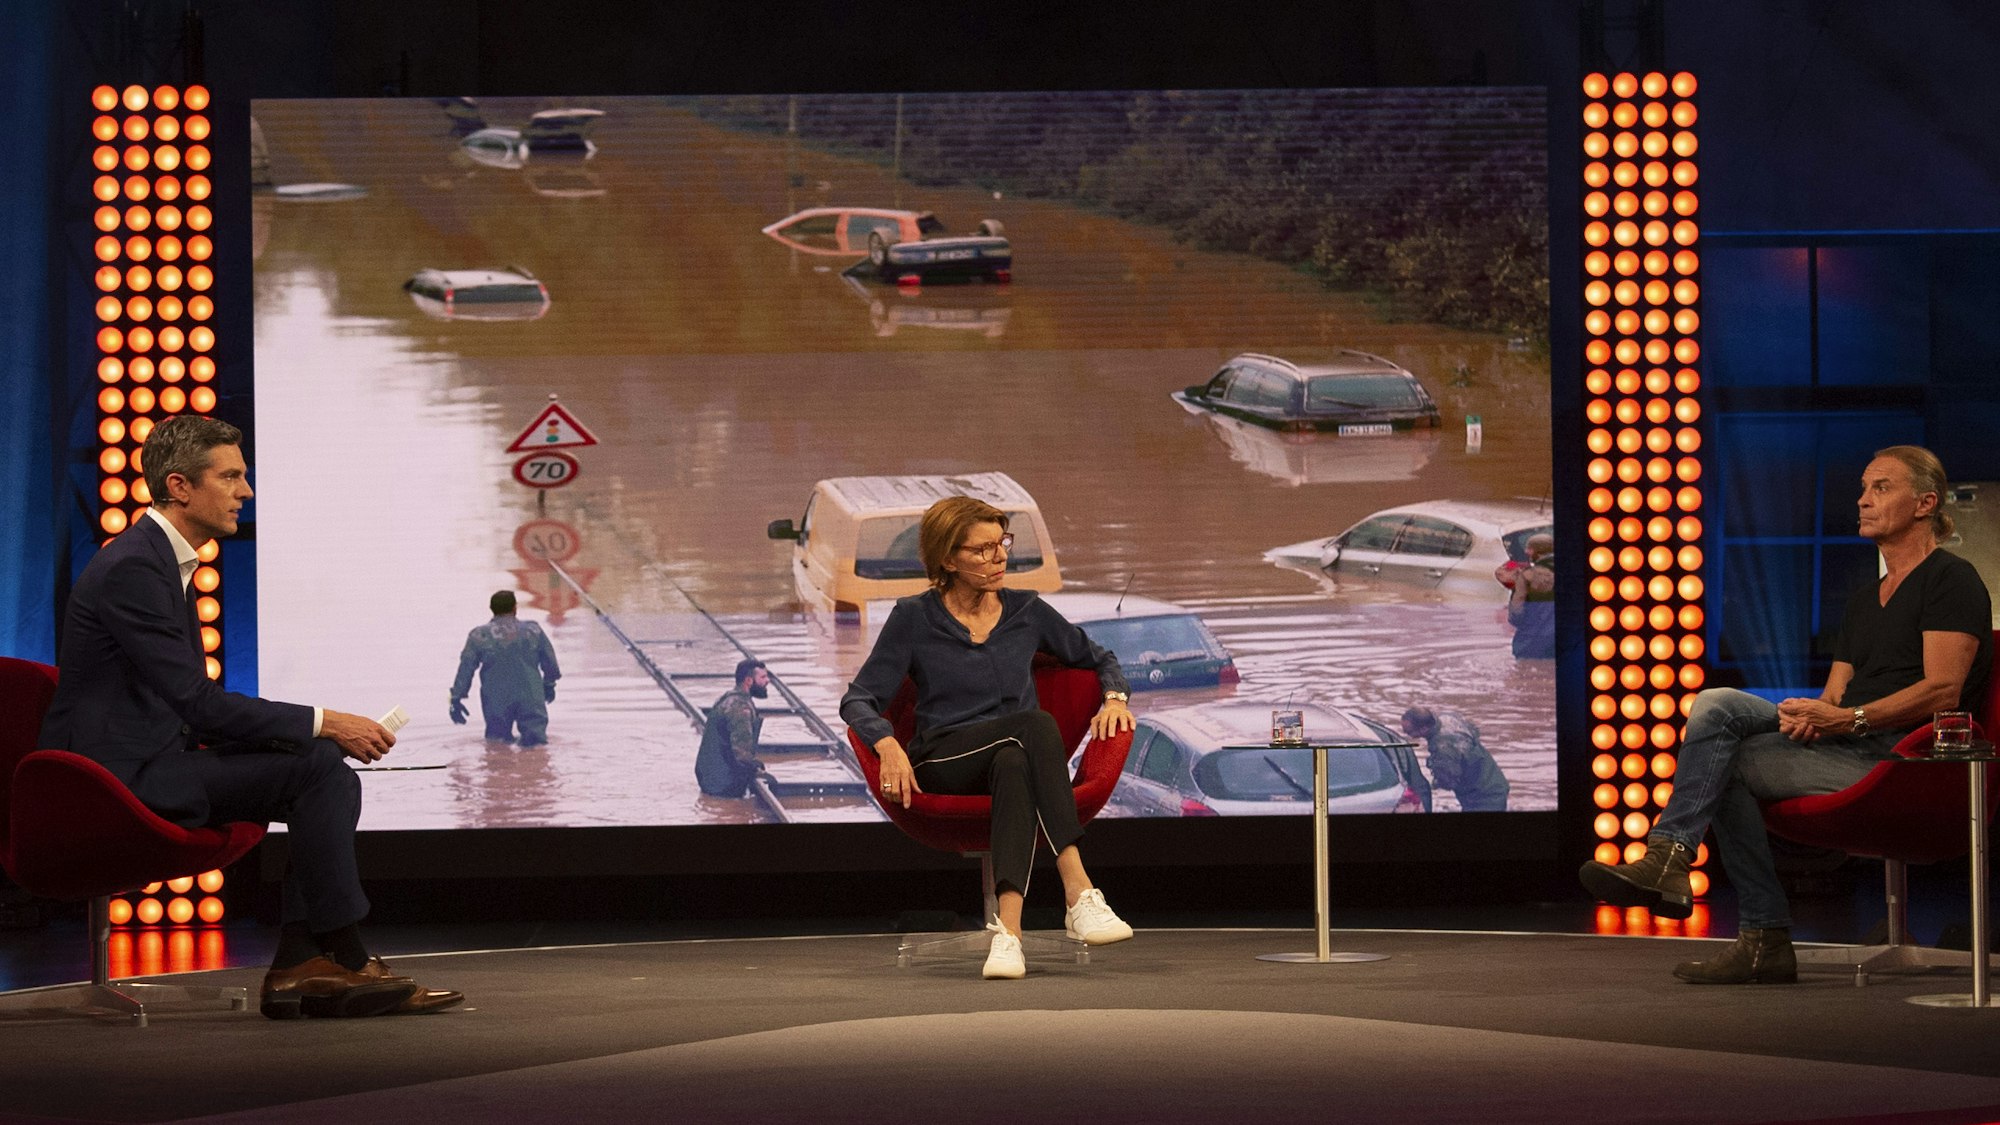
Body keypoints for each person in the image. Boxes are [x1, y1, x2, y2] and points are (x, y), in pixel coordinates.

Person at [38, 415, 460, 1018]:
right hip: (112, 781)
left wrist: (309, 737)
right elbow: (197, 702)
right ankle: (339, 956)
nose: (246, 490)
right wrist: (324, 721)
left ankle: (302, 962)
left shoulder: (160, 561)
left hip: (156, 760)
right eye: (231, 476)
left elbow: (193, 710)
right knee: (317, 762)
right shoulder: (134, 568)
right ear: (180, 486)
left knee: (321, 768)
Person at [1579, 446, 1992, 985]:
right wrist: (1813, 717)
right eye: (1863, 488)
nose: (1863, 500)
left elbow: (1942, 690)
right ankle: (1676, 862)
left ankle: (1754, 929)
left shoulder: (1950, 580)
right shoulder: (1865, 599)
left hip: (1903, 763)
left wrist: (1845, 721)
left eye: (1881, 488)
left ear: (1925, 503)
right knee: (1716, 705)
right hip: (1846, 746)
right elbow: (1836, 694)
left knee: (1721, 762)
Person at [840, 496, 1138, 979]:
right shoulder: (914, 617)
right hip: (943, 760)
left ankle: (1008, 937)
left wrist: (1115, 699)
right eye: (981, 550)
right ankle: (1078, 890)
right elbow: (857, 699)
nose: (998, 557)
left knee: (1015, 762)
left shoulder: (1027, 611)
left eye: (1001, 544)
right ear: (946, 559)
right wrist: (887, 743)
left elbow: (1099, 658)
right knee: (1035, 725)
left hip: (1010, 755)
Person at [449, 590, 561, 746]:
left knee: (497, 745)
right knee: (536, 746)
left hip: (496, 697)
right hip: (530, 695)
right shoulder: (533, 630)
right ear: (515, 608)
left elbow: (466, 669)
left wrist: (456, 698)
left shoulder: (479, 635)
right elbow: (550, 663)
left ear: (491, 608)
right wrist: (549, 685)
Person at [1399, 706, 1510, 812]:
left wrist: (1427, 787)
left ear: (1424, 728)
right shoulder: (1447, 717)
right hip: (1494, 780)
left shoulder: (1443, 749)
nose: (1406, 734)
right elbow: (1475, 731)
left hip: (1483, 797)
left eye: (1409, 732)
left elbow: (1447, 782)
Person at [696, 658, 770, 798]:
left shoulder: (729, 698)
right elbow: (742, 755)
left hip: (711, 777)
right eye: (763, 677)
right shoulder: (740, 707)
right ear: (748, 681)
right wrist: (759, 770)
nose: (767, 681)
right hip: (721, 783)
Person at [1497, 533, 1555, 659]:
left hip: (1529, 643)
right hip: (1557, 643)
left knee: (1525, 674)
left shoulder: (1526, 576)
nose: (1526, 551)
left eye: (1529, 549)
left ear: (1537, 552)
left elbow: (1516, 614)